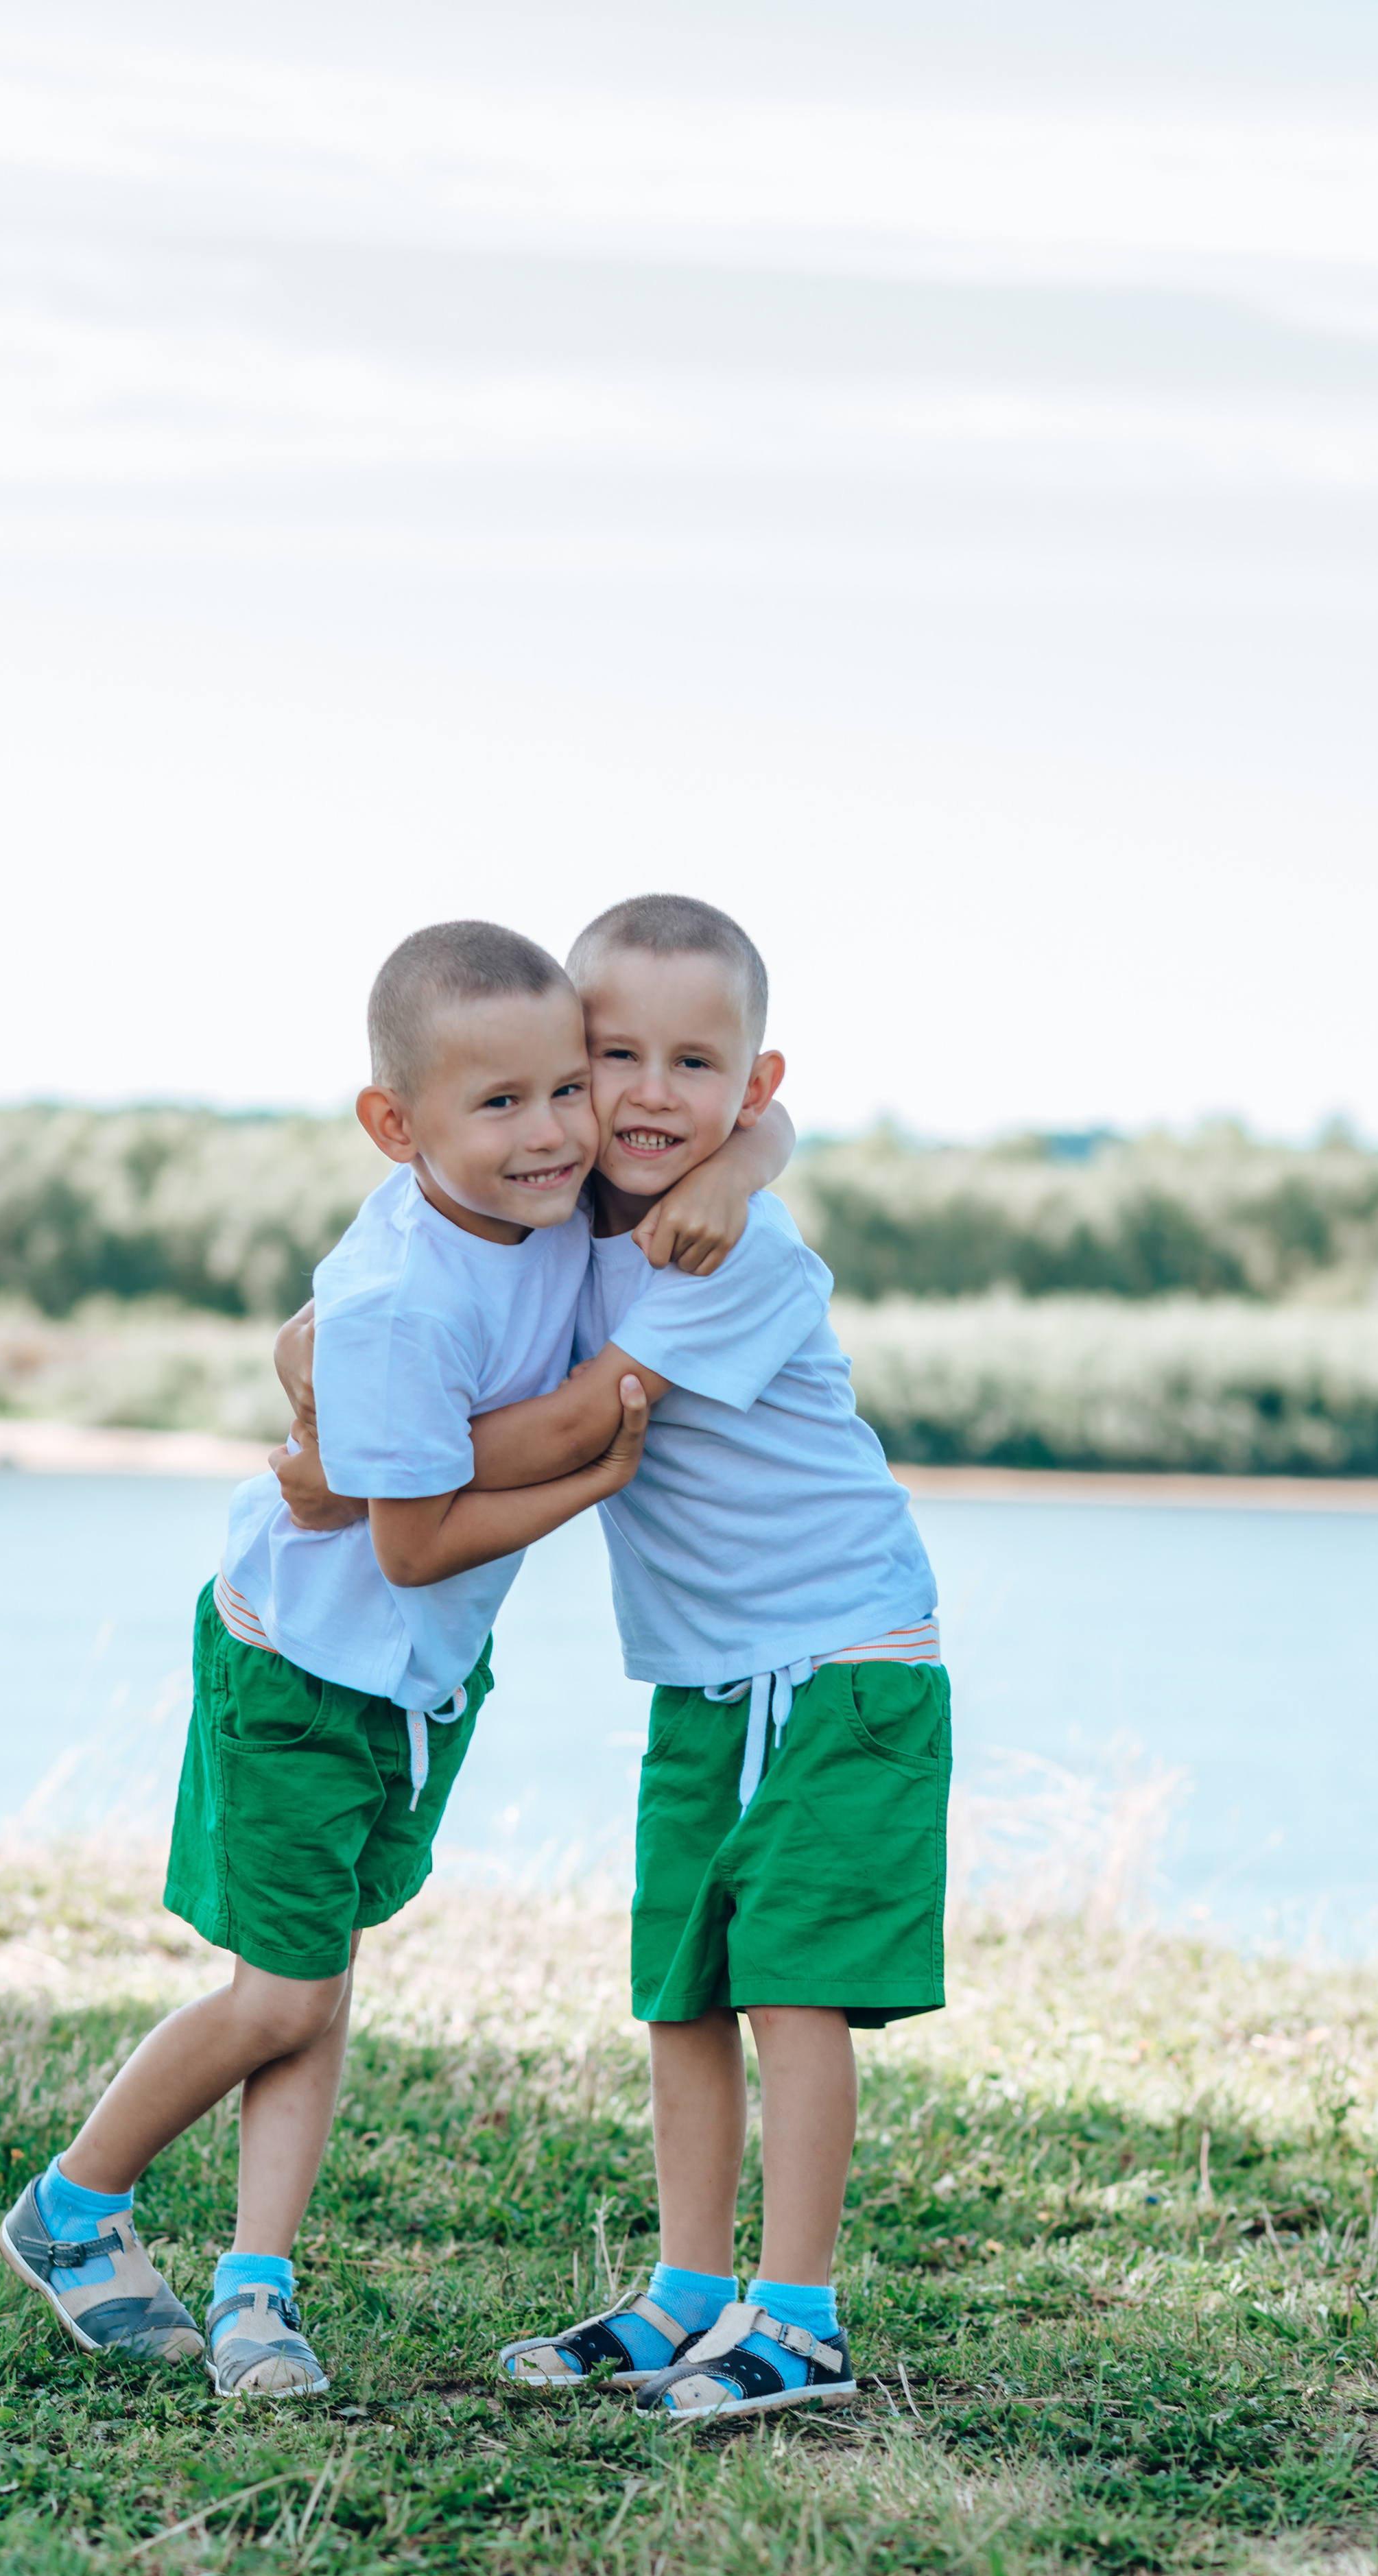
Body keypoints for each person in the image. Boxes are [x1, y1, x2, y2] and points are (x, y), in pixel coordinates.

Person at [0, 918, 783, 2401]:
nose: (558, 1132)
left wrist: (740, 1164)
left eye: (569, 1088)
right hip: (302, 1662)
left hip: (410, 1677)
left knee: (316, 1985)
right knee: (283, 1996)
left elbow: (761, 1109)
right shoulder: (399, 1294)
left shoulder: (544, 1203)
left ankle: (253, 2288)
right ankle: (72, 2211)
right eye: (499, 1105)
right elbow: (416, 1542)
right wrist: (584, 1483)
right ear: (394, 1123)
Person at [416, 894, 943, 2423]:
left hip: (836, 1655)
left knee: (790, 1987)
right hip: (708, 1671)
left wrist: (383, 1458)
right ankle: (686, 2295)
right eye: (611, 1055)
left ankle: (799, 2318)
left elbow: (584, 1425)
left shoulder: (739, 1246)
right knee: (683, 1991)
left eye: (692, 1065)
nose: (647, 1093)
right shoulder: (560, 1217)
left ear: (751, 1088)